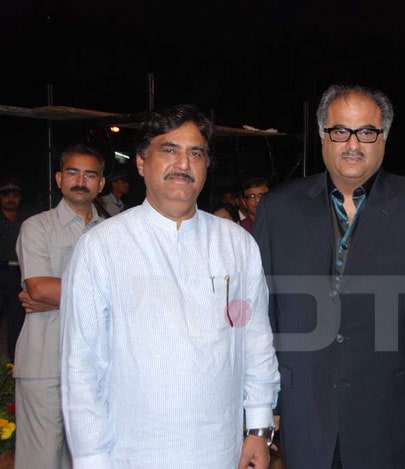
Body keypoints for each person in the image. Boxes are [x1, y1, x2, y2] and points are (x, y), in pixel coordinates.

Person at [253, 84, 405, 469]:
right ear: (323, 137)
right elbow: (264, 314)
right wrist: (266, 403)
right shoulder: (278, 209)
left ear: (384, 137)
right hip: (305, 412)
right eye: (340, 131)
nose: (353, 144)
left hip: (391, 413)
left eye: (366, 132)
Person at [60, 104, 280, 469]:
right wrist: (91, 459)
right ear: (142, 162)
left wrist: (258, 428)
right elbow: (82, 366)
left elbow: (254, 338)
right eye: (169, 150)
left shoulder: (236, 245)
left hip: (220, 449)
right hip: (131, 452)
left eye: (196, 153)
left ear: (207, 166)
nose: (183, 164)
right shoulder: (103, 246)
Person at [14, 144, 106, 469]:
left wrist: (59, 295)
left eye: (90, 174)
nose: (80, 180)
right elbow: (38, 287)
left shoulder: (114, 232)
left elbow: (132, 294)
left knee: (88, 458)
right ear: (58, 179)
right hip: (44, 362)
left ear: (101, 184)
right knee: (39, 461)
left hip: (98, 366)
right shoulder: (36, 227)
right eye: (72, 172)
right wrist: (107, 297)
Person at [0, 179, 31, 361]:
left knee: (17, 321)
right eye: (6, 194)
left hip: (19, 272)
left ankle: (13, 362)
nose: (11, 198)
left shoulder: (27, 220)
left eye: (15, 195)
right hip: (1, 270)